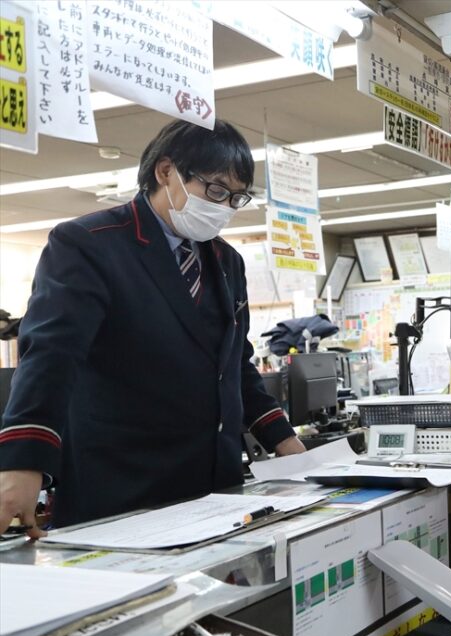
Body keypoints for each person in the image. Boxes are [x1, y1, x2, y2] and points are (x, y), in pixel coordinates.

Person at [0, 119, 307, 535]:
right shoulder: (90, 243)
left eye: (236, 198)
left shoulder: (226, 261)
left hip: (216, 482)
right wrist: (23, 460)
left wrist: (283, 440)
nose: (223, 207)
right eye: (215, 191)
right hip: (122, 481)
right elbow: (52, 355)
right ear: (166, 172)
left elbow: (234, 362)